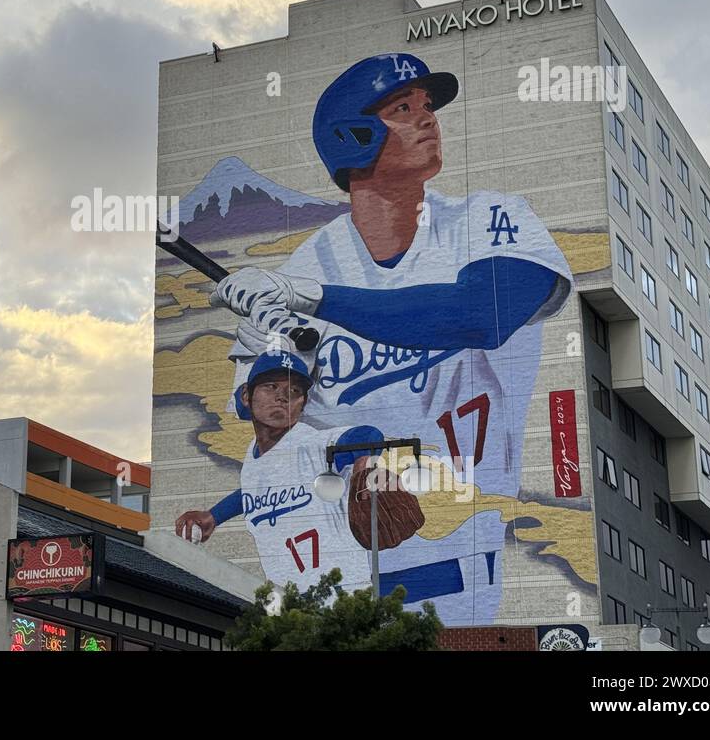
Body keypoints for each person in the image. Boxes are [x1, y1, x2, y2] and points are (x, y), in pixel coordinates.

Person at [209, 52, 573, 624]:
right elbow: (266, 426)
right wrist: (268, 335)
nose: (428, 119)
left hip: (460, 566)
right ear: (351, 136)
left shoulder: (492, 218)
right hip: (330, 582)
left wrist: (316, 300)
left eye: (427, 106)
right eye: (403, 109)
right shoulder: (302, 269)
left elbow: (482, 313)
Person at [174, 347, 424, 592]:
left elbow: (367, 434)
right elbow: (251, 492)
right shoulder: (254, 456)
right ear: (246, 396)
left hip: (340, 596)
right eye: (271, 386)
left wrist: (362, 468)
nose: (282, 397)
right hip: (286, 605)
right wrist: (214, 516)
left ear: (302, 405)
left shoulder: (312, 444)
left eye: (294, 391)